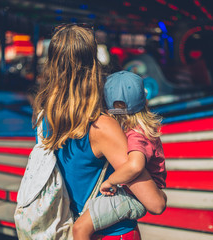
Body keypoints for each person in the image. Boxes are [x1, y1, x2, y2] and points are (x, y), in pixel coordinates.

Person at [32, 23, 167, 239]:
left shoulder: (46, 117)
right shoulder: (101, 125)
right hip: (112, 234)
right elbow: (156, 203)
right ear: (93, 66)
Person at [73, 71, 167, 240]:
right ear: (144, 101)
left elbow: (135, 166)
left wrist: (111, 180)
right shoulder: (142, 129)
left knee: (80, 228)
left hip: (133, 198)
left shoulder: (136, 135)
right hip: (133, 195)